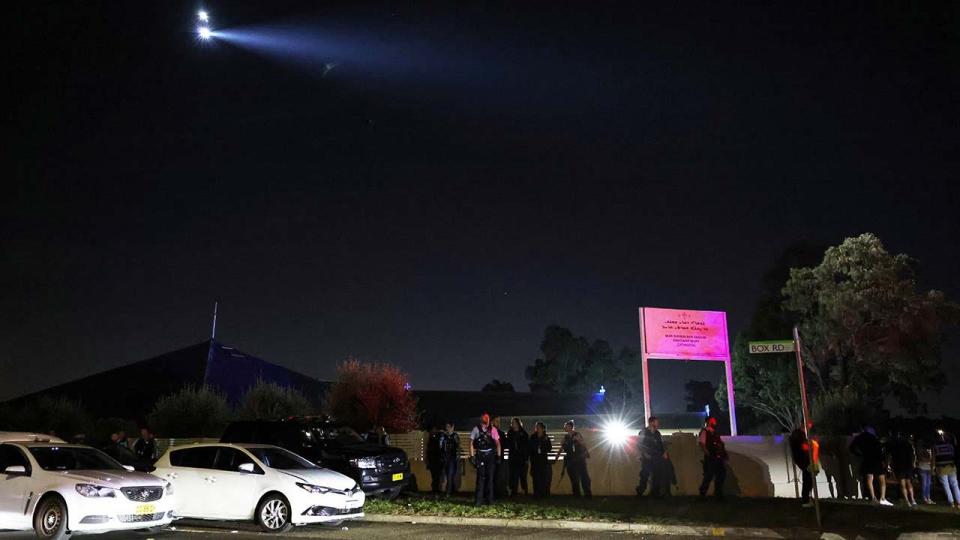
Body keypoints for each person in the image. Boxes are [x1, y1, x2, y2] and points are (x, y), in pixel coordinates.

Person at [849, 426, 891, 505]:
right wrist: (883, 461)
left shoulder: (859, 438)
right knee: (882, 480)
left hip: (867, 459)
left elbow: (851, 448)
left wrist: (859, 454)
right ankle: (882, 498)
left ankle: (873, 497)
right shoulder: (873, 438)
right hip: (876, 459)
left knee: (869, 479)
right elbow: (879, 449)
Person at [469, 413, 501, 505]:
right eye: (483, 422)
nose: (485, 424)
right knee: (480, 478)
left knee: (490, 478)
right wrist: (472, 457)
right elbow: (471, 443)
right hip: (480, 456)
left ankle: (490, 500)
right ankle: (478, 500)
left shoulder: (493, 429)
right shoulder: (476, 429)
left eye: (486, 422)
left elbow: (498, 443)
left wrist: (498, 456)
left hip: (490, 456)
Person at [555, 419, 591, 498]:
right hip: (570, 461)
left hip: (579, 460)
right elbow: (561, 449)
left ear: (571, 427)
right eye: (565, 427)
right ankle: (576, 495)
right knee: (574, 479)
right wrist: (556, 458)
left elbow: (583, 444)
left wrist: (579, 442)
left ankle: (587, 494)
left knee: (584, 477)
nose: (565, 428)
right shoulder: (566, 437)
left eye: (566, 426)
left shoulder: (577, 434)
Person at [636, 416, 668, 497]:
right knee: (645, 474)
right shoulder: (644, 432)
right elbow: (640, 444)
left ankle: (655, 492)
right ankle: (640, 490)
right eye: (656, 422)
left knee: (657, 475)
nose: (658, 424)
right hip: (647, 457)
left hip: (656, 457)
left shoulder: (657, 433)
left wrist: (664, 452)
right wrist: (645, 454)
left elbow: (660, 444)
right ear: (651, 422)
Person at [698, 417, 728, 501]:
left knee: (721, 475)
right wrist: (708, 454)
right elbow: (702, 444)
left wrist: (722, 454)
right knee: (708, 476)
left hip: (718, 458)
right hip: (711, 458)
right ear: (708, 421)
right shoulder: (705, 431)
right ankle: (702, 495)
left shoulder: (715, 433)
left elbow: (720, 444)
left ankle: (718, 494)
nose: (715, 421)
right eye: (713, 420)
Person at [889, 432, 917, 507]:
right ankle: (913, 500)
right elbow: (913, 455)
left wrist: (892, 468)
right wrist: (913, 464)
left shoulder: (895, 447)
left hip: (900, 467)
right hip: (908, 466)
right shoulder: (908, 445)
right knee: (909, 483)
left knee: (903, 485)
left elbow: (892, 458)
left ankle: (907, 500)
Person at [933, 430, 960, 509]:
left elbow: (933, 459)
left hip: (941, 468)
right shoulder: (950, 446)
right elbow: (954, 455)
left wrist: (933, 469)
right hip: (951, 467)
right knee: (955, 485)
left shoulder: (935, 447)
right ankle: (959, 502)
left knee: (946, 486)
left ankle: (951, 502)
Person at [504, 417, 530, 496]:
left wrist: (526, 458)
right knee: (513, 476)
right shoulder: (510, 433)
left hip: (522, 458)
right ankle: (513, 492)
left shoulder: (523, 433)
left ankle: (524, 491)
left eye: (515, 422)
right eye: (512, 423)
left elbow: (527, 447)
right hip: (513, 457)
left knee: (523, 476)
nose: (513, 424)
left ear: (518, 423)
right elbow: (507, 444)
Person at [789, 429, 814, 507]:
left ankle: (807, 498)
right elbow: (804, 448)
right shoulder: (797, 442)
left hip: (803, 460)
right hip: (803, 461)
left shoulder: (796, 441)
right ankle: (805, 500)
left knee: (808, 479)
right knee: (807, 479)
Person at [528, 421, 553, 498]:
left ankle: (543, 493)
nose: (537, 429)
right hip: (535, 460)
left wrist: (543, 447)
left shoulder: (546, 437)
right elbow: (530, 448)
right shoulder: (533, 437)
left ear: (543, 429)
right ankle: (536, 494)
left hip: (543, 460)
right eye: (536, 427)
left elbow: (549, 448)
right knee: (535, 477)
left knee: (543, 477)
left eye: (539, 427)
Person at [439, 422, 461, 496]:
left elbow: (458, 447)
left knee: (450, 475)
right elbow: (440, 446)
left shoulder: (455, 436)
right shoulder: (443, 436)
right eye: (446, 427)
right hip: (444, 457)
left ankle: (449, 492)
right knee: (444, 475)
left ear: (452, 427)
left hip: (452, 457)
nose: (447, 428)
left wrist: (458, 456)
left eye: (448, 426)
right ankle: (447, 491)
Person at [426, 425, 444, 493]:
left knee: (437, 476)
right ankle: (435, 489)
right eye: (433, 430)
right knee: (435, 476)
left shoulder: (437, 438)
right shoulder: (431, 440)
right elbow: (429, 451)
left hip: (437, 460)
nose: (434, 431)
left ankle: (436, 489)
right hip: (433, 460)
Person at [917, 438, 935, 504]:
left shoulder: (927, 450)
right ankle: (924, 498)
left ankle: (928, 498)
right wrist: (929, 459)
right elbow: (921, 459)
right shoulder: (919, 450)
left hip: (928, 468)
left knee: (928, 484)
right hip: (922, 468)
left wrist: (929, 459)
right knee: (924, 484)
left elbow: (929, 458)